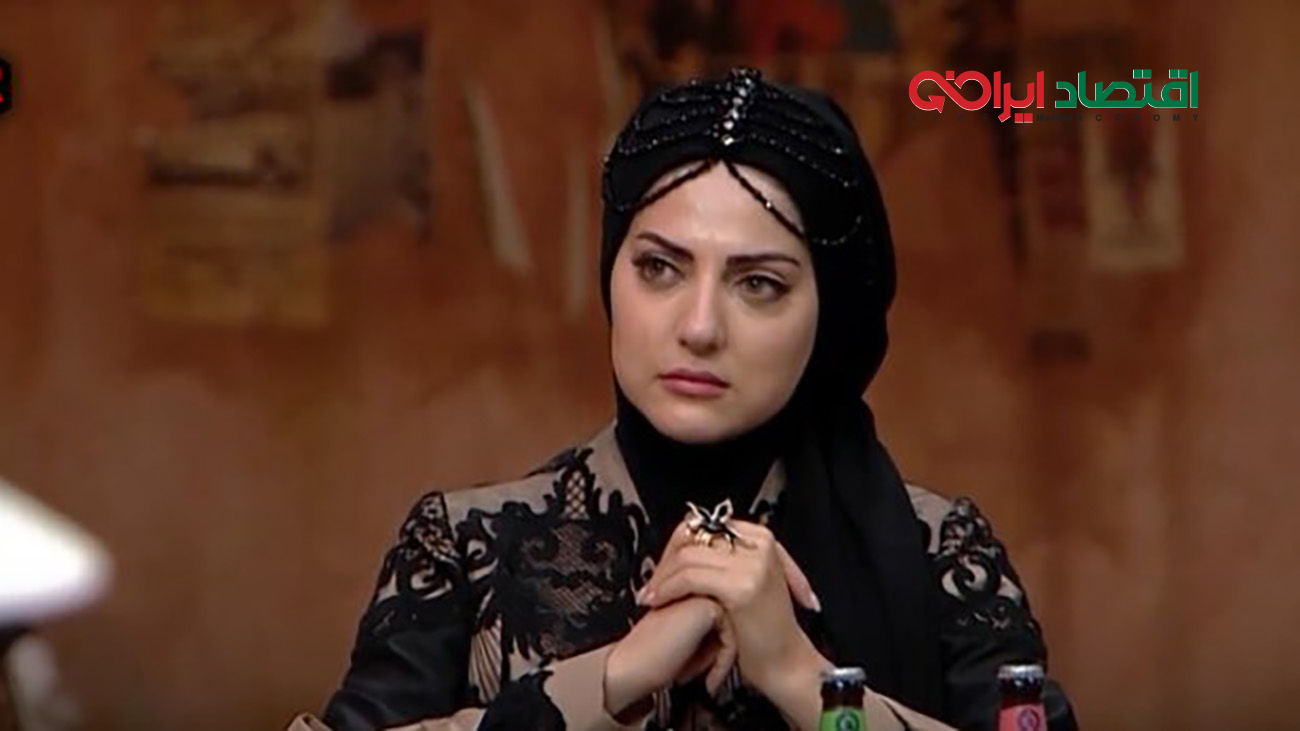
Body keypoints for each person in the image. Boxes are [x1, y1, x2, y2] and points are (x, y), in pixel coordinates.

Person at [289, 67, 1077, 731]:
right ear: (612, 273)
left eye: (758, 283)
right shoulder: (468, 548)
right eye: (659, 268)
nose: (699, 327)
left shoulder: (937, 553)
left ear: (829, 313)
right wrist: (611, 678)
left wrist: (802, 676)